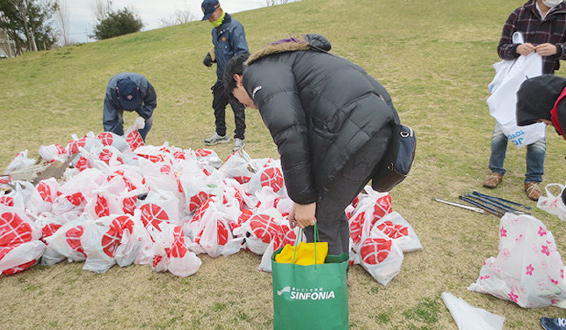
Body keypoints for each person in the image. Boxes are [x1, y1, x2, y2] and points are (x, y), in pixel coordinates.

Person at [222, 34, 402, 256]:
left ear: (238, 79)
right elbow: (312, 140)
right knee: (328, 210)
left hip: (361, 132)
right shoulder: (288, 61)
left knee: (319, 217)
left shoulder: (259, 74)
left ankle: (326, 287)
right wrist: (301, 200)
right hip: (373, 127)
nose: (249, 106)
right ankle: (334, 281)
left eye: (241, 101)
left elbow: (290, 136)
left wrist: (304, 200)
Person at [482, 0, 566, 201]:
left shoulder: (564, 17)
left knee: (537, 135)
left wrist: (558, 50)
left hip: (545, 88)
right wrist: (517, 49)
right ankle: (496, 171)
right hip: (513, 84)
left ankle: (533, 180)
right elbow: (502, 48)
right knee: (501, 129)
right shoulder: (520, 14)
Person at [201, 0, 249, 152]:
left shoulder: (235, 27)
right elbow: (218, 48)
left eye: (211, 15)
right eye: (207, 17)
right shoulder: (215, 31)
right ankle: (221, 134)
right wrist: (210, 57)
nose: (210, 19)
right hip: (221, 77)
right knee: (217, 104)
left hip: (233, 76)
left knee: (237, 107)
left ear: (219, 10)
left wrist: (234, 73)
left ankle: (239, 138)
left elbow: (242, 53)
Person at [103, 72, 156, 142]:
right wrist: (115, 141)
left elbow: (151, 102)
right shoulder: (111, 91)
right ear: (117, 90)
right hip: (117, 102)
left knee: (148, 119)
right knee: (117, 121)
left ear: (137, 88)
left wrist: (143, 117)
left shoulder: (143, 85)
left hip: (138, 101)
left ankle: (139, 142)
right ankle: (119, 143)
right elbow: (109, 120)